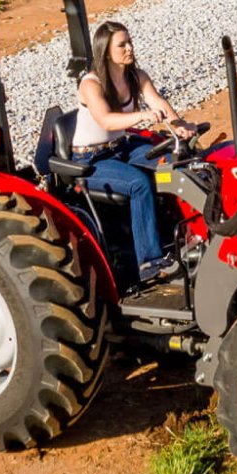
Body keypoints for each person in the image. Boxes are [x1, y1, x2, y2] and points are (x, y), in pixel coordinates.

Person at [74, 21, 195, 283]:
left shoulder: (136, 76)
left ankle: (188, 237)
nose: (129, 48)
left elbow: (158, 103)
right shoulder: (90, 84)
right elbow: (106, 121)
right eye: (122, 44)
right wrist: (142, 116)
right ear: (106, 51)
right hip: (91, 160)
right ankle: (149, 263)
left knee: (174, 162)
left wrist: (180, 126)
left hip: (121, 147)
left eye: (129, 42)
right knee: (139, 184)